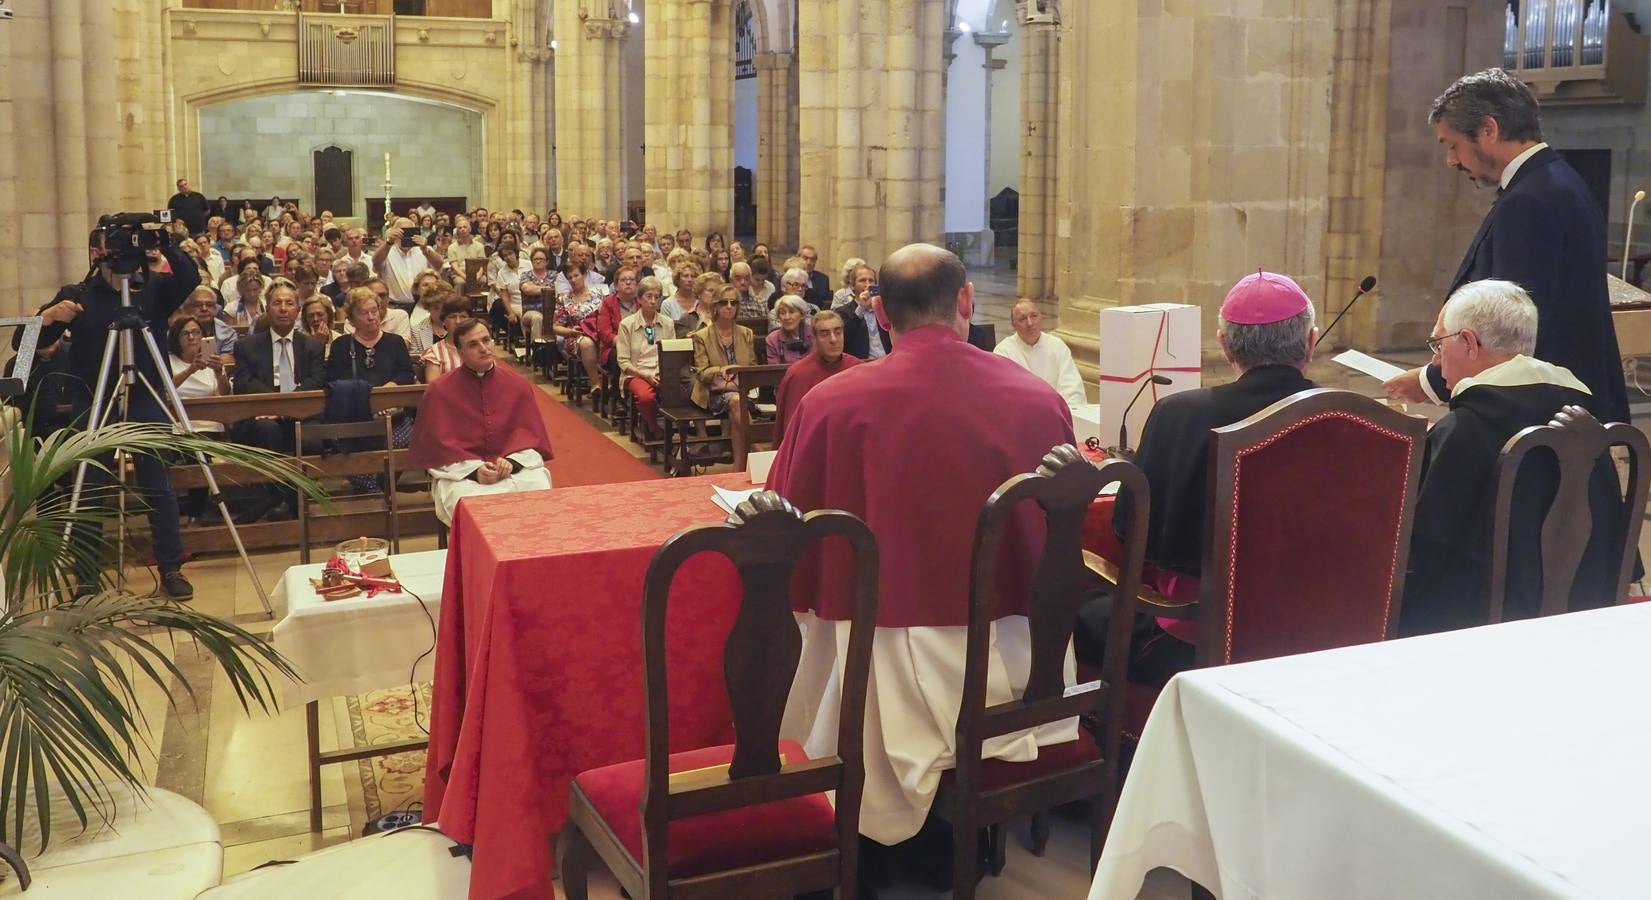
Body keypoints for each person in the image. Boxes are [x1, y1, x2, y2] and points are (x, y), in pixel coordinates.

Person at [770, 243, 1078, 853]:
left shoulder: (830, 404)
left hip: (872, 660)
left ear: (880, 312)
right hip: (1014, 668)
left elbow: (787, 531)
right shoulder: (1038, 399)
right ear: (966, 300)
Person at [1087, 271, 1319, 682]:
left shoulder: (1181, 416)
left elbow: (1131, 530)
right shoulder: (1356, 421)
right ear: (1311, 341)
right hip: (1327, 638)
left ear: (1225, 344)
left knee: (1083, 610)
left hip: (1197, 641)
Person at [1383, 67, 1629, 425]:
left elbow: (1511, 326)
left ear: (1488, 129)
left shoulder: (1532, 199)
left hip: (1545, 416)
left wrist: (1431, 381)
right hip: (1565, 407)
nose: (1451, 160)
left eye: (1453, 145)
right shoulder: (1555, 181)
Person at [1400, 279, 1625, 636]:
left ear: (1469, 343)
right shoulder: (1587, 426)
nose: (1434, 358)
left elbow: (1422, 549)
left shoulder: (1465, 429)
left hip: (1473, 631)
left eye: (1438, 343)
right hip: (1584, 622)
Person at [37, 224, 200, 599]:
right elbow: (25, 344)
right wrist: (50, 318)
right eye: (112, 244)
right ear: (96, 253)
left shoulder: (154, 291)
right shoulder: (76, 295)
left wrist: (164, 242)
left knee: (158, 487)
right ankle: (88, 577)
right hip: (93, 401)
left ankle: (172, 568)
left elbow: (189, 276)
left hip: (145, 397)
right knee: (88, 490)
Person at [408, 321, 554, 526]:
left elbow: (531, 439)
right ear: (459, 352)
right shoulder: (439, 391)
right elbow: (436, 450)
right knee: (468, 503)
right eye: (473, 344)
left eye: (486, 340)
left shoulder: (517, 385)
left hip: (512, 471)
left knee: (537, 486)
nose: (484, 348)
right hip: (463, 477)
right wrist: (475, 471)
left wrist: (512, 462)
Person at [773, 309, 861, 449]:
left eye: (838, 332)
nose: (833, 339)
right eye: (825, 334)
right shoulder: (798, 374)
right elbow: (791, 430)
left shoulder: (858, 369)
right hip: (812, 448)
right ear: (813, 338)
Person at [691, 284, 758, 467]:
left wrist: (739, 371)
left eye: (733, 303)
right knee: (736, 402)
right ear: (715, 306)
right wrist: (722, 370)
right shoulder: (702, 336)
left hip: (741, 389)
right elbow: (702, 373)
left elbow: (753, 367)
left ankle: (739, 468)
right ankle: (759, 448)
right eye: (724, 303)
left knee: (736, 407)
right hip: (713, 394)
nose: (729, 306)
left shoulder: (746, 334)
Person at [993, 298, 1086, 408]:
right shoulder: (1003, 351)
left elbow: (1072, 389)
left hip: (1058, 415)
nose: (1030, 323)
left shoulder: (1057, 346)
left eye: (1034, 316)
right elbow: (1006, 395)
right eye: (1022, 319)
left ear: (1041, 317)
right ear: (1013, 325)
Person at [616, 277, 676, 439]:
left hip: (661, 371)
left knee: (682, 393)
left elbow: (671, 354)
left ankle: (677, 429)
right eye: (648, 296)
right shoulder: (626, 324)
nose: (653, 301)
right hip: (636, 373)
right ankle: (652, 426)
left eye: (657, 297)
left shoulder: (668, 323)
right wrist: (645, 376)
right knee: (646, 397)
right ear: (639, 299)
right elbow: (623, 361)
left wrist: (661, 372)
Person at [552, 262, 606, 397]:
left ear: (583, 275)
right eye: (570, 277)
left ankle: (613, 383)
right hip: (577, 335)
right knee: (587, 343)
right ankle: (596, 383)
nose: (573, 280)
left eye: (576, 275)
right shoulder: (563, 299)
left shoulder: (599, 294)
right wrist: (570, 332)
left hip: (601, 332)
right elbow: (556, 327)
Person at [374, 217, 443, 311]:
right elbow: (376, 262)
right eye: (401, 232)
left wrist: (425, 250)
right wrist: (388, 242)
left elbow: (439, 265)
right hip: (395, 307)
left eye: (409, 231)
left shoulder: (423, 249)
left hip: (422, 306)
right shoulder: (386, 250)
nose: (405, 235)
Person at [835, 264, 891, 360]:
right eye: (862, 280)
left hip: (886, 360)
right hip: (861, 364)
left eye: (871, 280)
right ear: (852, 286)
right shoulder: (842, 312)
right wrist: (861, 308)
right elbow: (843, 337)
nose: (868, 285)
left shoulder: (884, 309)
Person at [167, 316, 229, 399]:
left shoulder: (212, 360)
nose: (191, 337)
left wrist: (219, 372)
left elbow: (225, 394)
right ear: (176, 338)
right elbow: (165, 390)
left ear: (202, 335)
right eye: (185, 333)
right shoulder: (167, 361)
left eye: (196, 332)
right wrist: (190, 370)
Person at [421, 295, 473, 382]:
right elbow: (434, 389)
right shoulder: (434, 353)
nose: (458, 321)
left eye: (463, 316)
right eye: (452, 317)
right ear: (443, 321)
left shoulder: (481, 347)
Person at [181, 285, 239, 355]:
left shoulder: (227, 333)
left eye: (209, 305)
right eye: (198, 305)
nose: (204, 309)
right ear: (186, 309)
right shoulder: (176, 331)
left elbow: (228, 360)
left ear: (215, 309)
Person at [765, 295, 814, 364]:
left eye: (791, 312)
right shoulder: (772, 339)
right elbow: (774, 371)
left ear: (802, 315)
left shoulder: (815, 334)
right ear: (779, 317)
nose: (787, 317)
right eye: (782, 313)